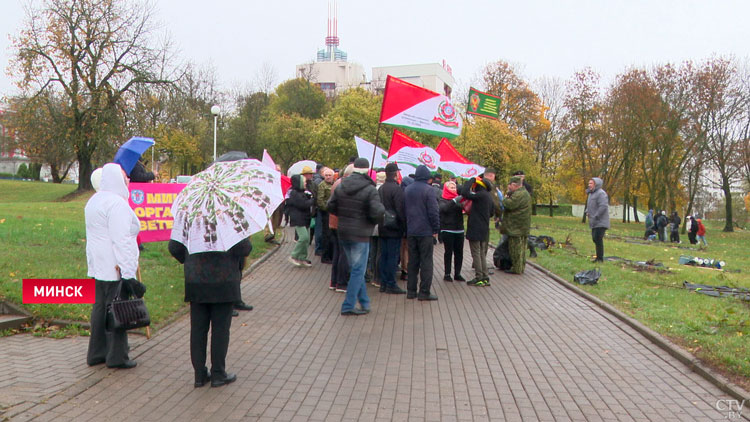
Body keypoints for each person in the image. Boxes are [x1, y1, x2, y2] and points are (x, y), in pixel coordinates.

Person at [168, 235, 251, 388]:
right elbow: (245, 248)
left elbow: (174, 247)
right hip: (224, 280)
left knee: (198, 329)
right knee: (221, 330)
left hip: (196, 280)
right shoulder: (228, 216)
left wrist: (188, 259)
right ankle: (218, 374)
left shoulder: (189, 216)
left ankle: (199, 375)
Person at [85, 163, 141, 369]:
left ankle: (97, 352)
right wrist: (128, 272)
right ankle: (117, 356)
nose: (128, 179)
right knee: (118, 310)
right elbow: (121, 240)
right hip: (114, 265)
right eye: (125, 176)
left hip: (97, 264)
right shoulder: (117, 204)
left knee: (100, 308)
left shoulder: (94, 201)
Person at [327, 158, 385, 315]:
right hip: (361, 233)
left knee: (355, 268)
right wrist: (374, 220)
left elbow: (330, 206)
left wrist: (344, 215)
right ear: (367, 170)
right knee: (358, 270)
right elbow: (378, 212)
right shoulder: (370, 189)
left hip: (343, 231)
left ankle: (365, 302)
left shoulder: (341, 185)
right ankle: (348, 305)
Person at [404, 165, 440, 300]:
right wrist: (435, 229)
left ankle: (411, 291)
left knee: (412, 261)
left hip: (411, 230)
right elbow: (433, 211)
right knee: (426, 261)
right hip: (425, 231)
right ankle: (424, 292)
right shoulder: (429, 190)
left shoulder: (407, 189)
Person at [378, 163, 407, 294]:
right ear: (395, 174)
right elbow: (400, 210)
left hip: (382, 225)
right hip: (394, 227)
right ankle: (391, 283)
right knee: (392, 256)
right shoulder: (397, 189)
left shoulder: (381, 188)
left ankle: (383, 282)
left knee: (383, 255)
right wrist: (404, 225)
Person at [329, 165, 353, 292]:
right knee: (343, 254)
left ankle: (334, 281)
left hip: (334, 222)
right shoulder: (344, 186)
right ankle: (341, 282)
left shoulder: (337, 183)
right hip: (341, 223)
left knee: (337, 253)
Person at [501, 176, 531, 274]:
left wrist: (504, 199)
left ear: (514, 185)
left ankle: (517, 269)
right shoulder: (525, 193)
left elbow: (509, 205)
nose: (508, 187)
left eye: (510, 185)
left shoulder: (518, 195)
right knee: (522, 249)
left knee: (515, 250)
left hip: (515, 227)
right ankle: (521, 267)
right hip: (522, 227)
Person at [438, 181, 466, 282]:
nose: (454, 189)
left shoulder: (460, 199)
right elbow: (444, 209)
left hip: (459, 229)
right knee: (448, 252)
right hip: (448, 229)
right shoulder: (443, 199)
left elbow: (465, 208)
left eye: (454, 187)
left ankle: (457, 273)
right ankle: (447, 273)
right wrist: (454, 201)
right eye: (451, 187)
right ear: (446, 189)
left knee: (459, 252)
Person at [287, 174, 315, 267]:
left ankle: (302, 257)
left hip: (305, 218)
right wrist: (312, 200)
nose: (306, 183)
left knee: (307, 239)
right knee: (303, 237)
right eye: (304, 182)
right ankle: (294, 255)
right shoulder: (294, 193)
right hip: (298, 218)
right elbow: (302, 205)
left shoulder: (302, 192)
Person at [586, 177, 610, 262]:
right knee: (595, 239)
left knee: (598, 238)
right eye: (589, 183)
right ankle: (598, 257)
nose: (589, 185)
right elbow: (590, 205)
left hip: (600, 221)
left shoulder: (601, 193)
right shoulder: (591, 194)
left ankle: (600, 258)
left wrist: (596, 216)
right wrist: (587, 212)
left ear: (596, 184)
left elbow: (603, 206)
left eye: (591, 183)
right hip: (594, 221)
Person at [316, 167, 335, 263]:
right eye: (326, 175)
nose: (328, 177)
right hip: (326, 213)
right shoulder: (322, 185)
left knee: (331, 235)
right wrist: (327, 209)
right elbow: (320, 200)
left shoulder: (334, 184)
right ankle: (325, 256)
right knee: (326, 235)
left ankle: (331, 255)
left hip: (333, 213)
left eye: (329, 175)